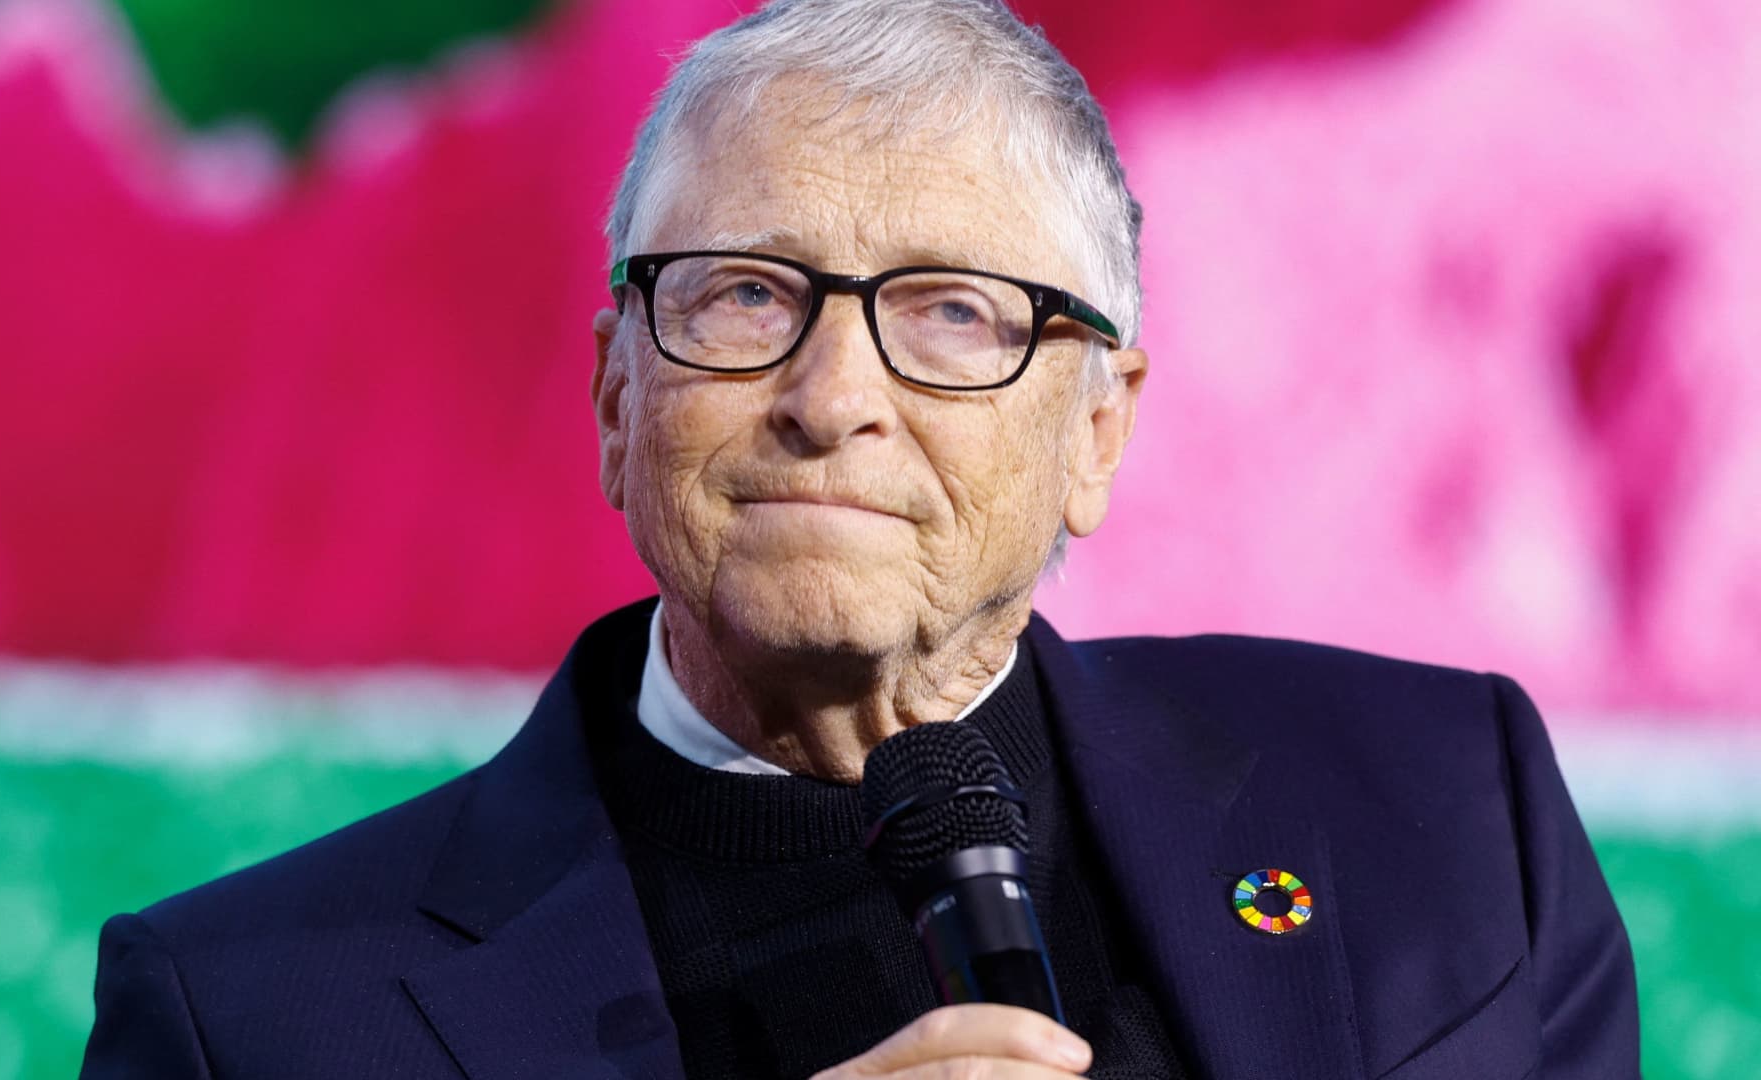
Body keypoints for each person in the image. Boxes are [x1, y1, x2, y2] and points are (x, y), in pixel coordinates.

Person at [80, 1, 1639, 1076]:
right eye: (746, 295)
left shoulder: (1445, 813)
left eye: (954, 313)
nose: (831, 400)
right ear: (619, 393)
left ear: (1098, 431)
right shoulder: (254, 1019)